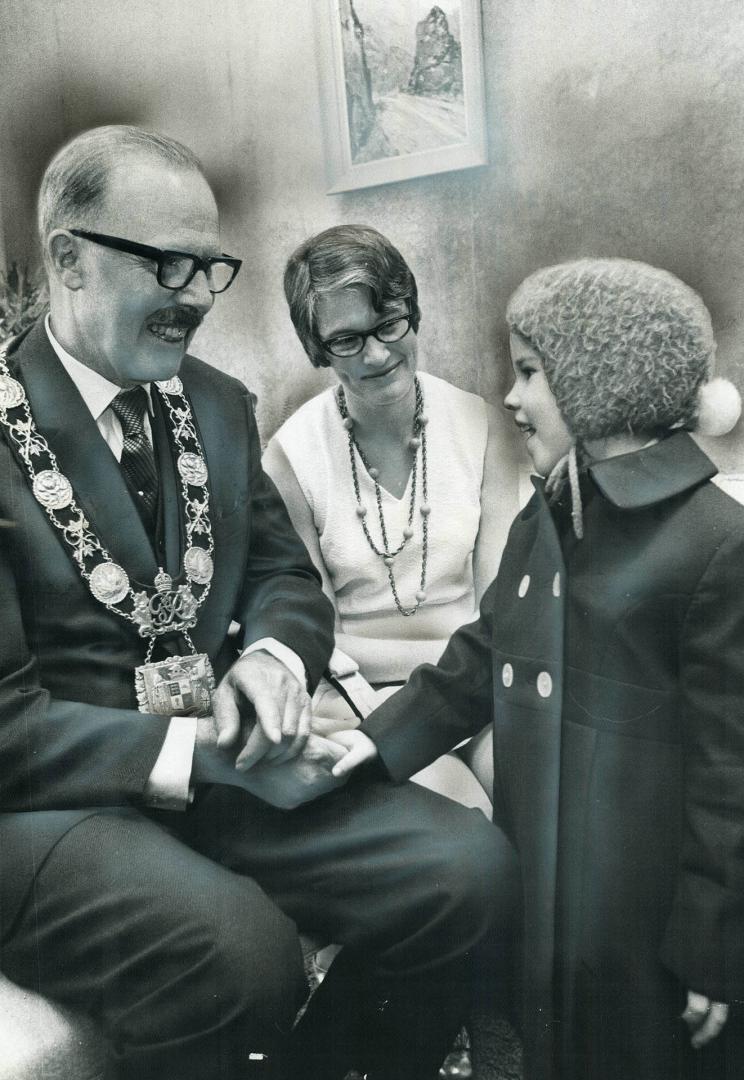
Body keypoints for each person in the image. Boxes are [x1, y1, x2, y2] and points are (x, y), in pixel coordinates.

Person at [0, 125, 505, 1080]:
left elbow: (284, 580)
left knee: (468, 874)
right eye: (166, 264)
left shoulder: (218, 404)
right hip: (45, 806)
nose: (195, 297)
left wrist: (275, 661)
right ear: (67, 258)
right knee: (239, 953)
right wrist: (205, 755)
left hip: (223, 770)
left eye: (207, 266)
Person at [333, 258, 744, 1079]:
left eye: (529, 373)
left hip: (642, 913)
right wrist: (377, 744)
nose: (511, 398)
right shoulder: (551, 509)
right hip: (548, 880)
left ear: (600, 381)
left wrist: (713, 942)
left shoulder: (715, 543)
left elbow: (731, 771)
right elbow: (485, 651)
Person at [264, 224, 513, 813]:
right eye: (347, 340)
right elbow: (313, 635)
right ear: (317, 348)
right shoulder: (288, 457)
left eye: (388, 324)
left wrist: (461, 677)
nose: (376, 353)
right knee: (463, 818)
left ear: (412, 313)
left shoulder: (485, 430)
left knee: (526, 796)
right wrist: (444, 662)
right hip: (353, 697)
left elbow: (503, 618)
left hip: (477, 693)